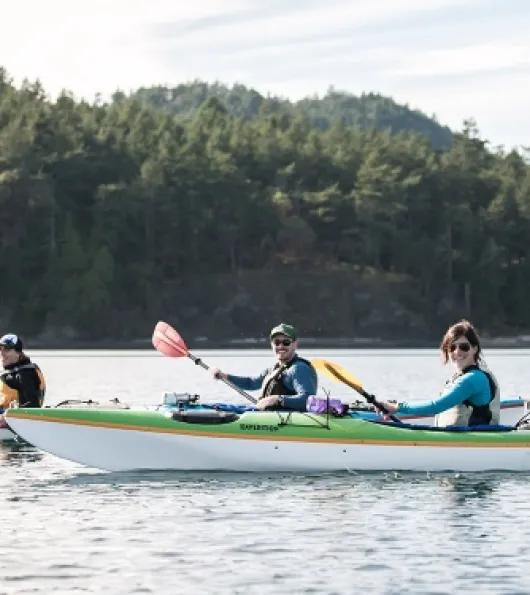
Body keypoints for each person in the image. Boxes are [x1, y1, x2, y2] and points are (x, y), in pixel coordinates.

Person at [379, 320, 500, 427]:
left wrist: (397, 407)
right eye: (452, 347)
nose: (457, 352)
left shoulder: (473, 379)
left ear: (475, 348)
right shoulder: (463, 376)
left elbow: (435, 407)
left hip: (469, 443)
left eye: (464, 347)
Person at [210, 323, 317, 411]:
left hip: (288, 420)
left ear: (295, 345)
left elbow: (308, 399)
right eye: (277, 342)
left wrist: (277, 399)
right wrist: (225, 376)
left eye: (286, 342)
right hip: (271, 416)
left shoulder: (299, 369)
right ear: (272, 345)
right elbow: (251, 383)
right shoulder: (274, 369)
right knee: (217, 407)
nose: (280, 346)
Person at [0, 334, 46, 419]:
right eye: (0, 349)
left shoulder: (24, 374)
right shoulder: (11, 372)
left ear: (18, 353)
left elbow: (33, 406)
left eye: (6, 349)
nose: (2, 353)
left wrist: (12, 412)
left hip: (14, 419)